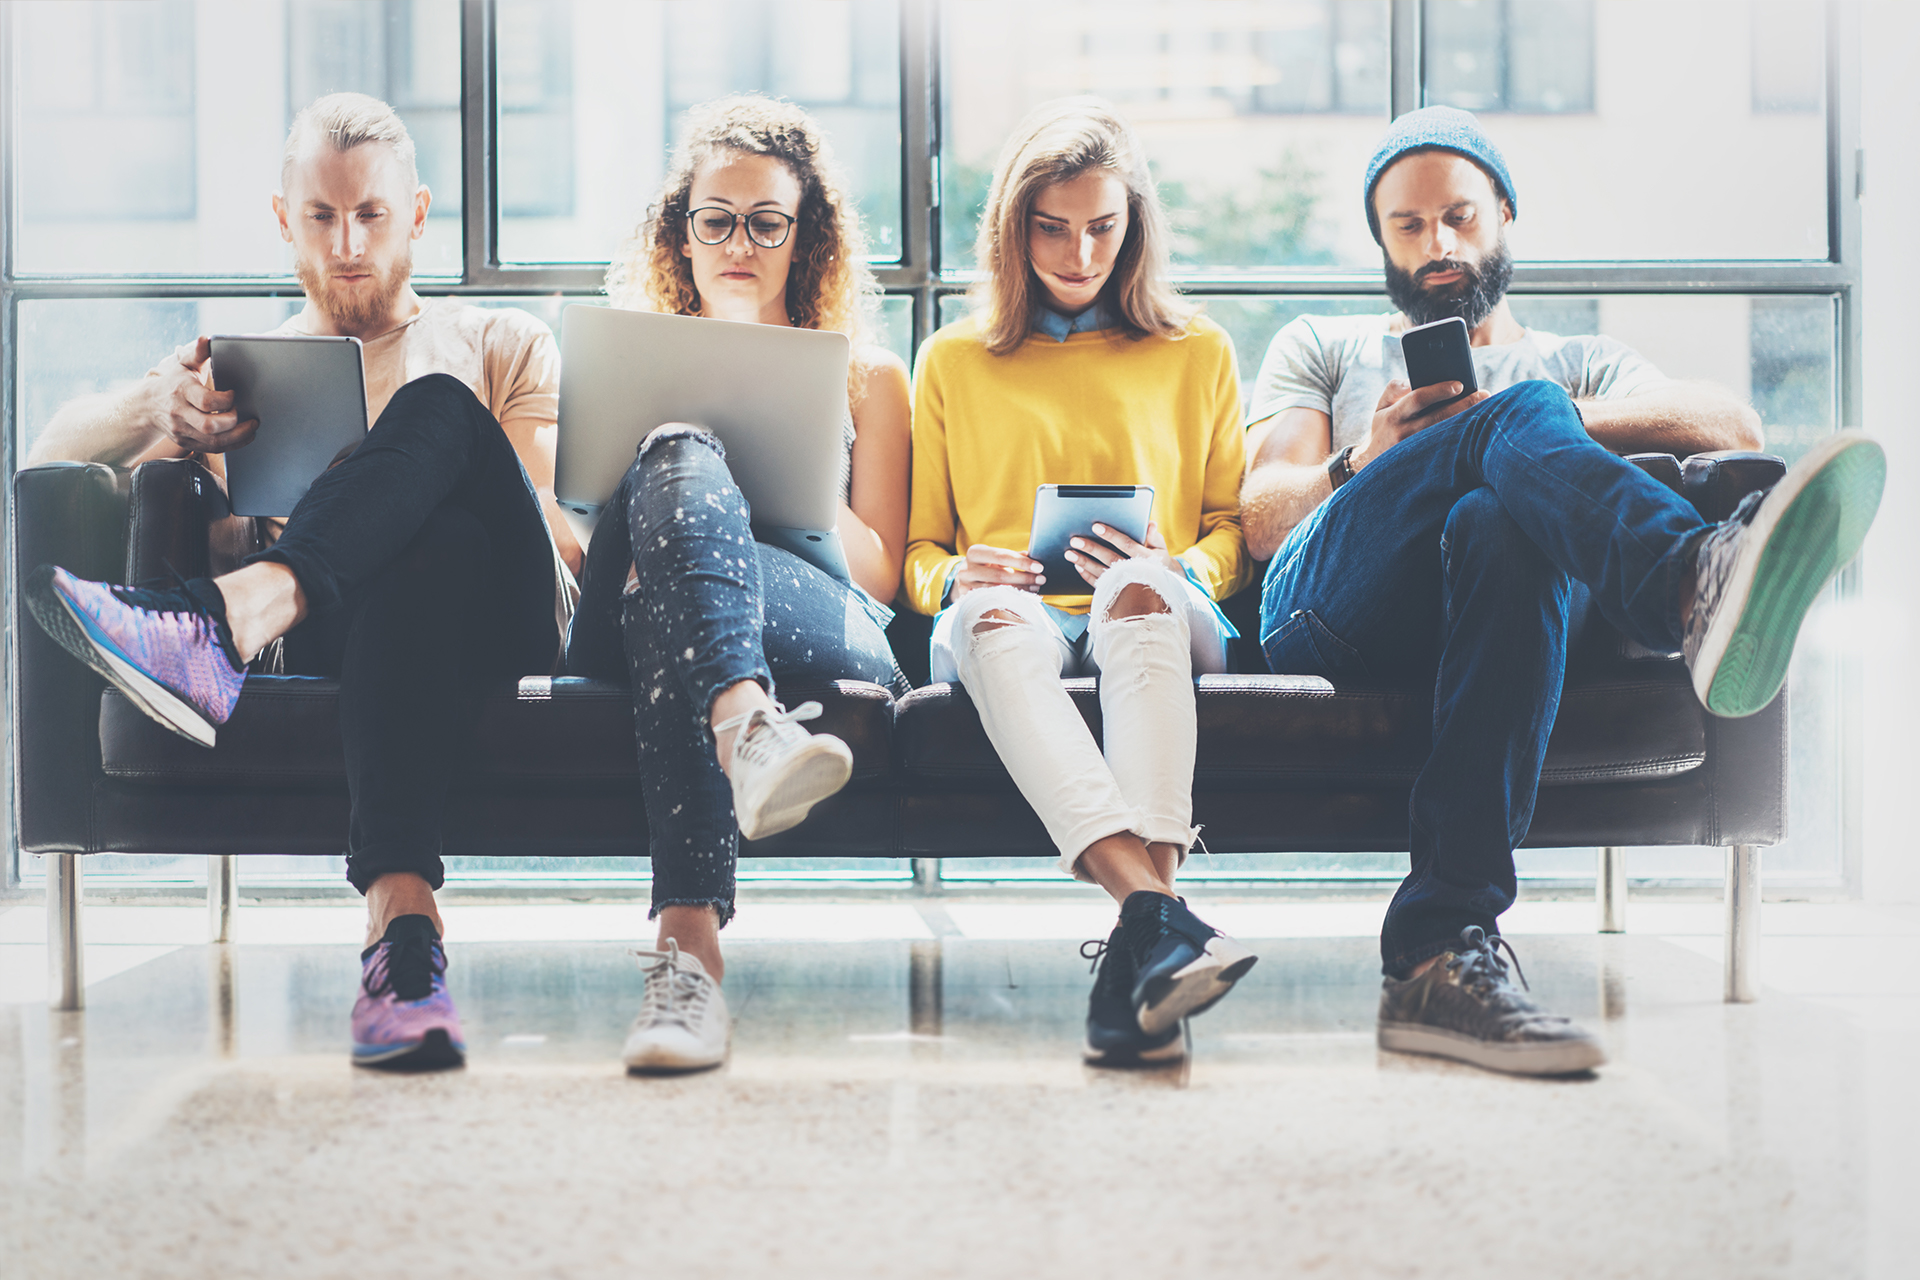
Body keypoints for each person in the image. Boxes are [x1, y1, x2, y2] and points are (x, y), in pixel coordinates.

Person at [1239, 106, 1885, 1076]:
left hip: (1495, 607)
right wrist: (1365, 458)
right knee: (1508, 441)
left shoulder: (1575, 362)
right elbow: (1264, 512)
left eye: (1458, 215)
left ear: (1502, 211)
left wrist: (1520, 425)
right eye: (1409, 226)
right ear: (1381, 241)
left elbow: (1730, 418)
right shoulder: (1321, 345)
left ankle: (1439, 946)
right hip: (1331, 608)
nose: (1437, 242)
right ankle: (1684, 586)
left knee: (1498, 517)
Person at [24, 93, 582, 1073]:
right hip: (353, 636)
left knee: (441, 414)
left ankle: (223, 620)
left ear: (416, 213)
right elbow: (48, 456)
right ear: (285, 221)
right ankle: (402, 944)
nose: (347, 241)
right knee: (423, 549)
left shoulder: (504, 342)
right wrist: (158, 402)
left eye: (370, 213)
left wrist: (416, 462)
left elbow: (561, 546)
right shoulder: (243, 380)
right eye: (321, 217)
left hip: (505, 624)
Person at [905, 98, 1257, 1068]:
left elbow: (1230, 528)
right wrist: (955, 576)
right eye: (1052, 229)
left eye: (1103, 227)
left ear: (1133, 226)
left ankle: (1149, 920)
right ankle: (1157, 919)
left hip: (1153, 600)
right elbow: (919, 555)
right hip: (1007, 606)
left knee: (1133, 597)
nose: (1078, 252)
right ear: (1013, 232)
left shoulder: (1199, 352)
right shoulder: (954, 360)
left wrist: (1177, 564)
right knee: (993, 616)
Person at [565, 96, 912, 1074]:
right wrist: (685, 450)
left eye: (767, 221)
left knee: (668, 601)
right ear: (682, 229)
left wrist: (786, 452)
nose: (739, 242)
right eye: (714, 217)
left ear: (807, 236)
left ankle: (688, 962)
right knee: (674, 453)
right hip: (633, 597)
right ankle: (746, 723)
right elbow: (587, 546)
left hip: (817, 608)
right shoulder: (635, 358)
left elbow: (881, 568)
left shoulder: (870, 376)